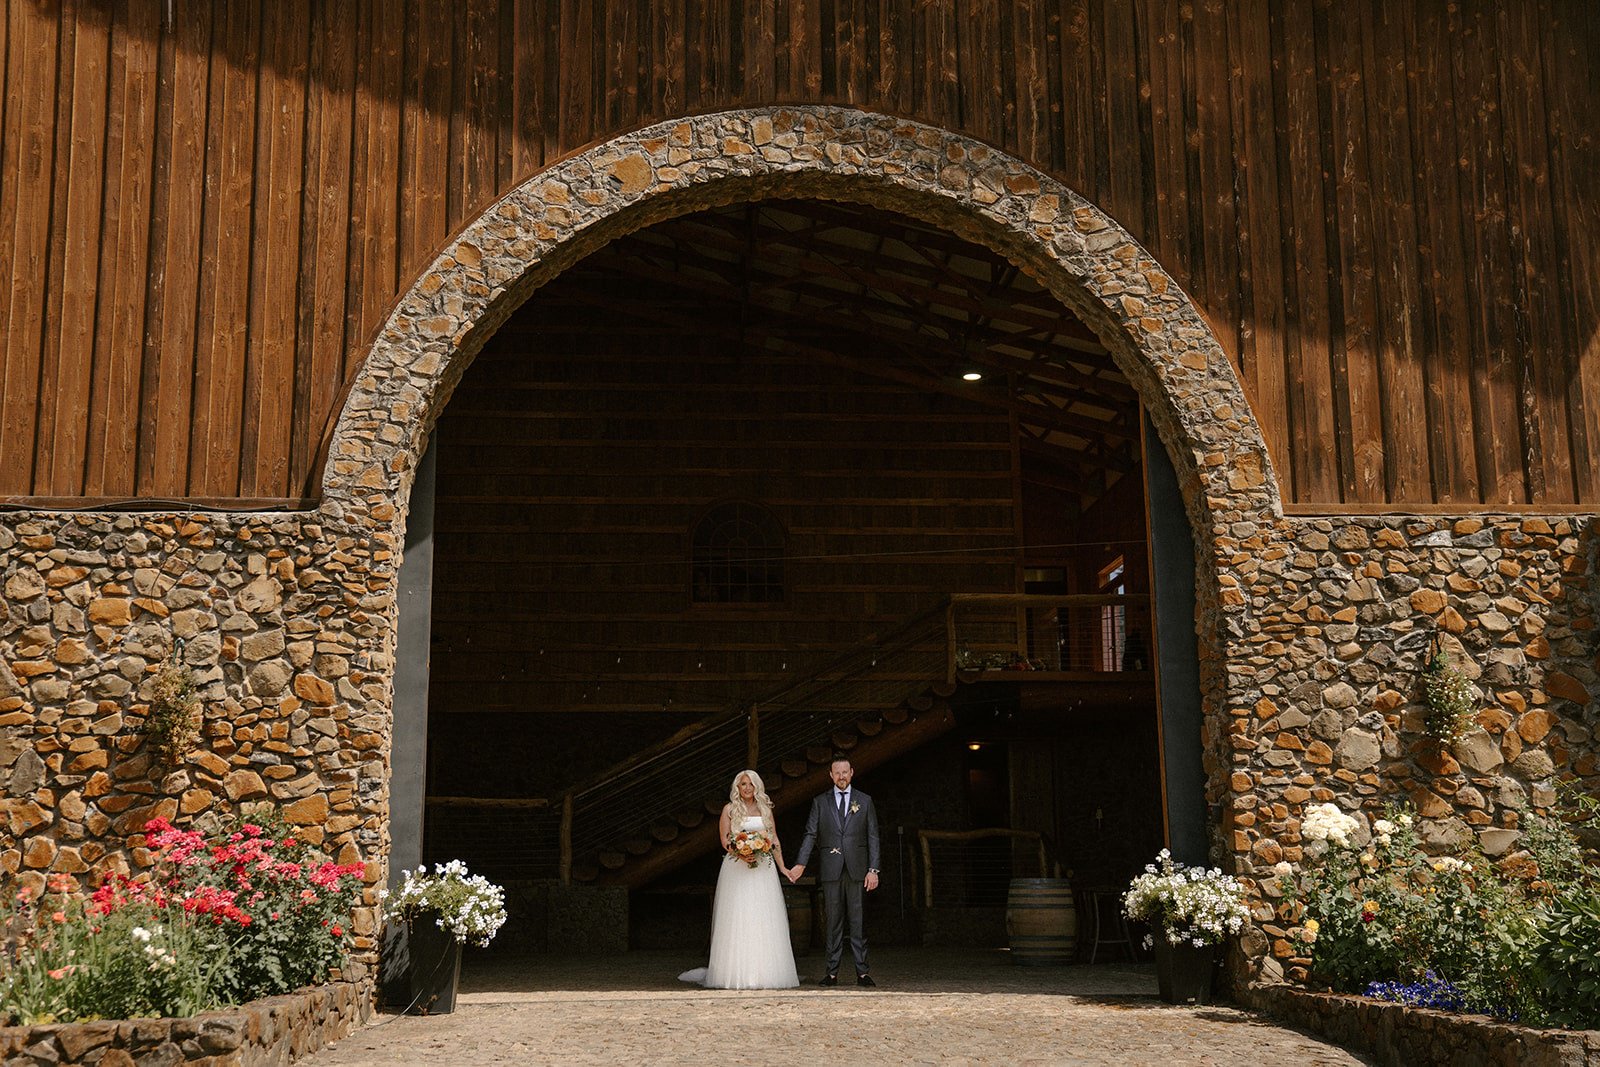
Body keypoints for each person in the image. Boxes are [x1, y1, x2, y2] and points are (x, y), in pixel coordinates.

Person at [677, 770, 799, 989]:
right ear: (737, 787)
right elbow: (724, 839)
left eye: (751, 784)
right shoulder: (729, 810)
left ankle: (765, 974)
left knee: (763, 918)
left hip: (763, 870)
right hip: (736, 869)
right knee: (738, 917)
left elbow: (774, 840)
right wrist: (740, 853)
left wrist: (783, 867)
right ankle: (734, 973)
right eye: (743, 784)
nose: (747, 788)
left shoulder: (765, 809)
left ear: (757, 787)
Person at [788, 755, 880, 987]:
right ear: (830, 775)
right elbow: (810, 834)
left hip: (858, 869)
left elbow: (873, 836)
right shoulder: (820, 802)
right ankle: (831, 973)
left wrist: (874, 869)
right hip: (831, 868)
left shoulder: (865, 801)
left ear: (852, 773)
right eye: (836, 773)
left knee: (858, 922)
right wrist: (801, 863)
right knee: (833, 923)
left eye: (844, 772)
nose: (841, 776)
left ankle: (862, 973)